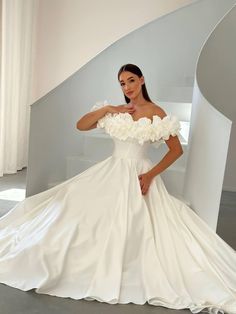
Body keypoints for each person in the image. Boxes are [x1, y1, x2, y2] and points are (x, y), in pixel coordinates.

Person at [0, 63, 236, 314]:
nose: (127, 87)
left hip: (139, 174)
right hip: (111, 169)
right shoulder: (117, 111)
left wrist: (150, 175)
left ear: (142, 80)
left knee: (137, 226)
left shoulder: (157, 112)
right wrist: (109, 108)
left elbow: (176, 150)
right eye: (122, 83)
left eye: (131, 81)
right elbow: (81, 125)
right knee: (76, 218)